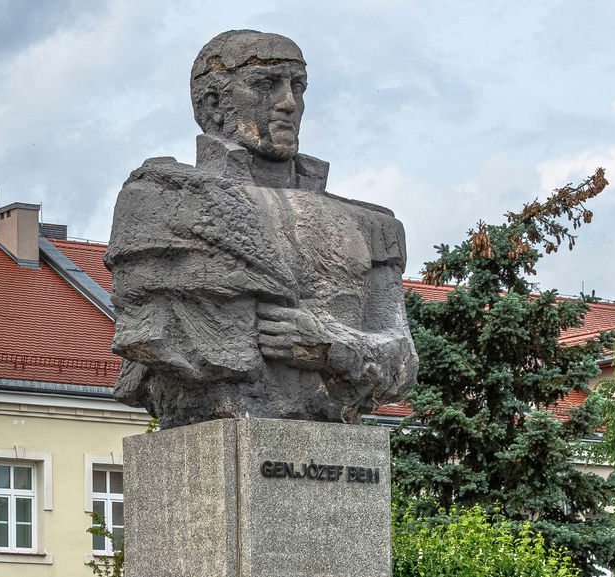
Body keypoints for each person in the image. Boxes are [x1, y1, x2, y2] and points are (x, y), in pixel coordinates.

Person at [105, 30, 418, 427]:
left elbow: (403, 363)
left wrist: (331, 346)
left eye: (297, 86)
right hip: (217, 421)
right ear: (213, 104)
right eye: (266, 84)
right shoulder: (160, 202)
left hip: (334, 431)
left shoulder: (372, 225)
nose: (289, 103)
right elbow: (150, 339)